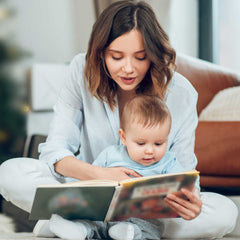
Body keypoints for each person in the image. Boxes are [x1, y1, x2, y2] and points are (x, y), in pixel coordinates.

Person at [0, 1, 237, 239]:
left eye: (140, 57)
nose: (128, 68)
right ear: (101, 53)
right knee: (10, 173)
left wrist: (190, 203)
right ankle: (97, 225)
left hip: (148, 210)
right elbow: (55, 152)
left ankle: (76, 224)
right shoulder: (81, 71)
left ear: (153, 55)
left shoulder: (181, 94)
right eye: (116, 57)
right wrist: (100, 175)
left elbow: (185, 174)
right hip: (87, 192)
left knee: (225, 212)